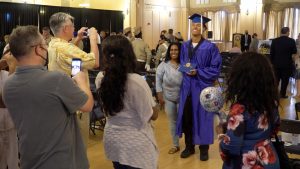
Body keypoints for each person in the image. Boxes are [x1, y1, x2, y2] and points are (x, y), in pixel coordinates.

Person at [2, 25, 94, 169]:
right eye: (45, 45)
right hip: (61, 162)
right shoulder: (56, 80)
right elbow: (88, 105)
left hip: (29, 159)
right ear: (38, 49)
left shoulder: (8, 85)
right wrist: (82, 81)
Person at [96, 35, 159, 169]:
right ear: (129, 55)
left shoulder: (100, 78)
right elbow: (152, 115)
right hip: (135, 143)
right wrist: (154, 101)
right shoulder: (136, 81)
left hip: (113, 138)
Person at [218, 52, 280, 169]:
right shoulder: (272, 103)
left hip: (247, 163)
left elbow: (231, 148)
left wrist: (222, 138)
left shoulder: (239, 109)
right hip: (268, 159)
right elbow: (275, 128)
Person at [48, 12, 99, 145]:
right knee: (78, 145)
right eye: (72, 26)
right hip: (75, 105)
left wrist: (78, 39)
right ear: (65, 28)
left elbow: (71, 59)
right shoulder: (65, 48)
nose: (75, 29)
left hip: (61, 102)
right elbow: (95, 62)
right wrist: (93, 39)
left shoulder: (53, 44)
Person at [176, 13, 222, 161]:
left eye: (198, 25)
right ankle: (189, 146)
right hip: (187, 88)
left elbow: (215, 68)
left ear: (203, 28)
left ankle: (204, 149)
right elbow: (182, 64)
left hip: (202, 88)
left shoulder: (210, 47)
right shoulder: (184, 45)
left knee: (203, 118)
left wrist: (199, 72)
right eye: (193, 25)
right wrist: (185, 69)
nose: (195, 27)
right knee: (187, 117)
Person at [156, 42, 182, 154]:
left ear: (180, 51)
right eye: (171, 50)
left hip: (183, 98)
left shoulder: (184, 64)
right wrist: (160, 97)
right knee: (172, 122)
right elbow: (158, 81)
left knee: (184, 121)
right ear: (168, 52)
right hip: (168, 98)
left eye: (176, 50)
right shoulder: (163, 65)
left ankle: (190, 144)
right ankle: (175, 145)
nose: (173, 52)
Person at [0, 45, 19, 169]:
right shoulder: (10, 73)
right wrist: (13, 67)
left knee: (12, 157)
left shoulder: (7, 74)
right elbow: (4, 101)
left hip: (11, 125)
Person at [270, 27, 297, 98]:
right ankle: (282, 94)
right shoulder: (292, 41)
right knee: (285, 81)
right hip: (287, 64)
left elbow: (272, 53)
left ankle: (274, 94)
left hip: (276, 64)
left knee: (276, 80)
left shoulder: (274, 41)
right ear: (287, 32)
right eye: (289, 32)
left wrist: (272, 63)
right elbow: (294, 53)